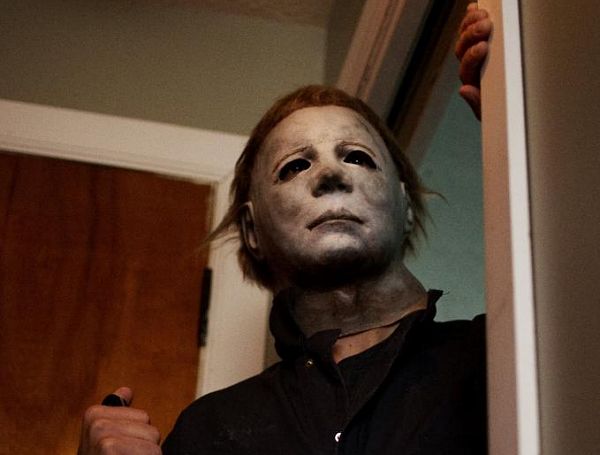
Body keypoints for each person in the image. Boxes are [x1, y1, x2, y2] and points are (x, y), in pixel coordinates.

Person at [77, 4, 492, 454]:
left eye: (357, 157)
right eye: (294, 166)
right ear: (252, 229)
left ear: (405, 205)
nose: (330, 174)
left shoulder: (499, 355)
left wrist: (527, 127)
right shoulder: (209, 430)